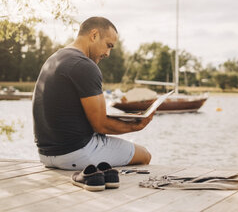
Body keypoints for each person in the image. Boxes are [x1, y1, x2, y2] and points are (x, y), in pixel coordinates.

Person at [32, 17, 152, 170]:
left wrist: (129, 118)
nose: (108, 53)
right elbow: (100, 125)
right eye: (108, 46)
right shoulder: (85, 65)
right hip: (75, 154)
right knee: (144, 155)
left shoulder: (53, 59)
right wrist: (136, 126)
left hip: (45, 155)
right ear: (94, 35)